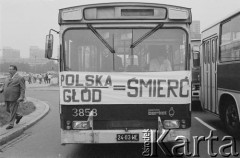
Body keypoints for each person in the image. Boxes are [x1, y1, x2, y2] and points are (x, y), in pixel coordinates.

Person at [0, 65, 25, 129]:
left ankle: (11, 124)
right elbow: (4, 84)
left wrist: (21, 97)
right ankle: (18, 116)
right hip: (7, 96)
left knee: (13, 110)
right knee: (7, 109)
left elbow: (22, 88)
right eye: (9, 69)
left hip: (14, 97)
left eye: (11, 69)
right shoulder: (7, 77)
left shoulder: (20, 78)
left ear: (15, 70)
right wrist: (1, 89)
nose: (9, 70)